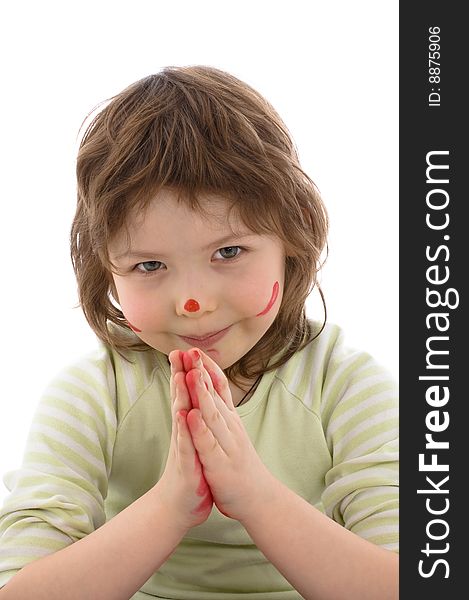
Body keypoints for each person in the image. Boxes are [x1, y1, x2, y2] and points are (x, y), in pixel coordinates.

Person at [0, 66, 398, 600]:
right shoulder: (92, 393)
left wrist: (253, 495)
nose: (195, 303)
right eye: (149, 266)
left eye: (228, 252)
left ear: (293, 228)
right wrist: (171, 505)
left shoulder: (345, 384)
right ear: (106, 265)